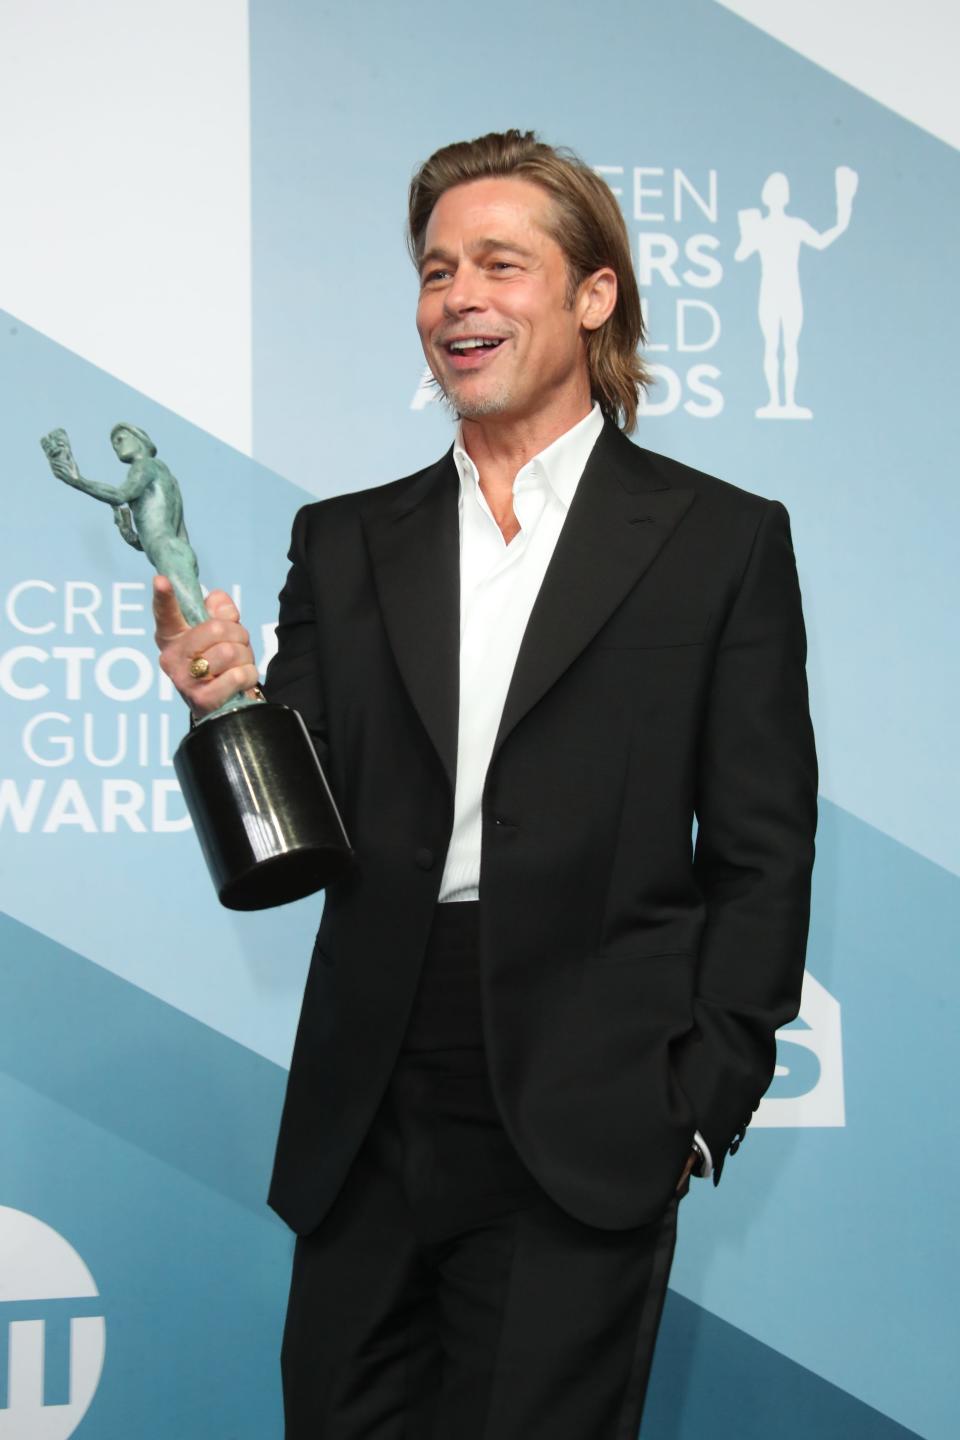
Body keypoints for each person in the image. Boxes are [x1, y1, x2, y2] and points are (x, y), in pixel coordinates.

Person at [153, 129, 817, 1438]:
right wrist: (230, 708)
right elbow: (304, 847)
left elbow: (762, 847)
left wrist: (697, 1106)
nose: (457, 296)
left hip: (591, 1110)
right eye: (436, 268)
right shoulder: (344, 542)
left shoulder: (719, 541)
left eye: (500, 264)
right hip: (369, 1107)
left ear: (594, 293)